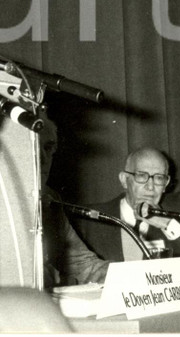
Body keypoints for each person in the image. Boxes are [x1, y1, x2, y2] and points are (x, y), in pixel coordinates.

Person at [71, 146, 180, 267]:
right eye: (142, 176)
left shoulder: (174, 222)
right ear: (125, 180)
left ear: (165, 185)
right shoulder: (90, 220)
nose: (150, 187)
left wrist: (165, 223)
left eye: (158, 178)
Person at [39, 119, 109, 286]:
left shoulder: (49, 198)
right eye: (33, 146)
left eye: (48, 148)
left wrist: (134, 276)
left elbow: (81, 264)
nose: (43, 158)